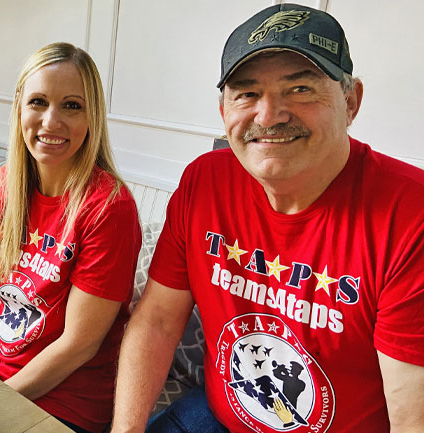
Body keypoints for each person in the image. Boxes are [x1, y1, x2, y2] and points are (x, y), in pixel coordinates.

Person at [112, 4, 424, 433]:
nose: (269, 114)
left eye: (300, 89)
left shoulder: (411, 214)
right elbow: (158, 320)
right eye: (246, 93)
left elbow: (412, 411)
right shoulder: (204, 181)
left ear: (351, 102)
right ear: (224, 109)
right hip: (217, 417)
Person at [0, 42, 142, 433]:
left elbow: (79, 344)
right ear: (19, 109)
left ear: (92, 117)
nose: (51, 121)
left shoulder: (109, 208)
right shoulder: (6, 184)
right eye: (38, 102)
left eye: (72, 106)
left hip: (66, 404)